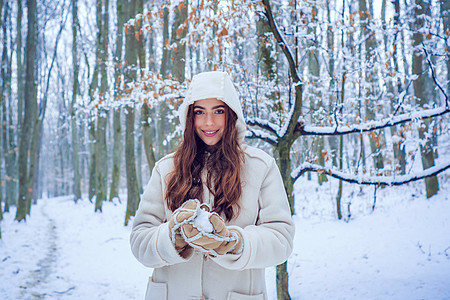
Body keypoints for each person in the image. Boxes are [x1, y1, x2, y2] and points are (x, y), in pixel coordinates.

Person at [130, 71, 295, 300]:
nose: (209, 122)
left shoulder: (261, 167)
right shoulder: (166, 169)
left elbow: (281, 239)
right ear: (189, 117)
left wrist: (234, 243)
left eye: (219, 111)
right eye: (200, 112)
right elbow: (140, 239)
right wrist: (172, 238)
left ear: (232, 115)